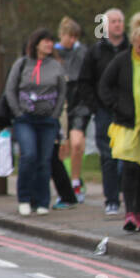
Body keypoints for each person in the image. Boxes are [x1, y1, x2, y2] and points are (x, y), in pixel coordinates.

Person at [98, 12, 140, 232]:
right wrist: (117, 106)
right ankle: (129, 212)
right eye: (139, 47)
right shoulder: (122, 61)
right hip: (127, 124)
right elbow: (104, 86)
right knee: (129, 168)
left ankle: (139, 213)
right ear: (133, 44)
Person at [5, 29, 67, 216]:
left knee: (44, 161)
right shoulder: (22, 63)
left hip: (48, 121)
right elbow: (10, 89)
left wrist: (55, 115)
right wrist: (17, 112)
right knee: (29, 156)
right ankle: (24, 198)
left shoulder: (56, 66)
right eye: (46, 41)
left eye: (51, 41)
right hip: (26, 119)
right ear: (36, 43)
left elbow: (63, 92)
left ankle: (42, 201)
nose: (50, 45)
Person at [78, 8, 129, 218]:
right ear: (106, 26)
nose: (117, 24)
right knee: (108, 156)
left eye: (120, 21)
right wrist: (95, 106)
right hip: (104, 112)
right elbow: (85, 82)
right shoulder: (96, 52)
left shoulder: (133, 49)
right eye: (113, 21)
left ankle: (124, 192)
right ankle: (112, 199)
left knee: (125, 157)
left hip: (127, 113)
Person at [54, 17, 87, 201]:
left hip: (79, 103)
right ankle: (66, 185)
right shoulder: (54, 53)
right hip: (60, 104)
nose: (73, 41)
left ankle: (75, 183)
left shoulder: (81, 52)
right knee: (62, 147)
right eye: (70, 36)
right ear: (62, 35)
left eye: (76, 37)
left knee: (76, 144)